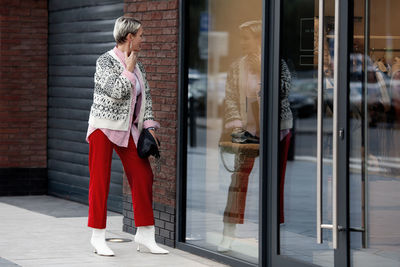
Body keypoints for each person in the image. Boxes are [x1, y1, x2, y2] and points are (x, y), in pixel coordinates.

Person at [86, 16, 168, 256]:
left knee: (143, 175)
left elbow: (147, 98)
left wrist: (150, 126)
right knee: (100, 180)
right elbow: (117, 91)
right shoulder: (105, 61)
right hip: (103, 127)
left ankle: (145, 235)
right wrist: (129, 69)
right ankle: (98, 236)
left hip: (128, 128)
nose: (144, 39)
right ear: (129, 37)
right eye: (141, 35)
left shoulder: (140, 65)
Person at [218, 20, 293, 252]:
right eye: (240, 38)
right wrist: (237, 126)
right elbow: (230, 97)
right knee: (238, 181)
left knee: (275, 183)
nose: (241, 43)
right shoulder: (236, 66)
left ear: (259, 39)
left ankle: (271, 236)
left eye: (246, 38)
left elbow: (284, 91)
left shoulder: (276, 63)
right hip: (247, 132)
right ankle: (228, 234)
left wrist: (263, 68)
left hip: (277, 129)